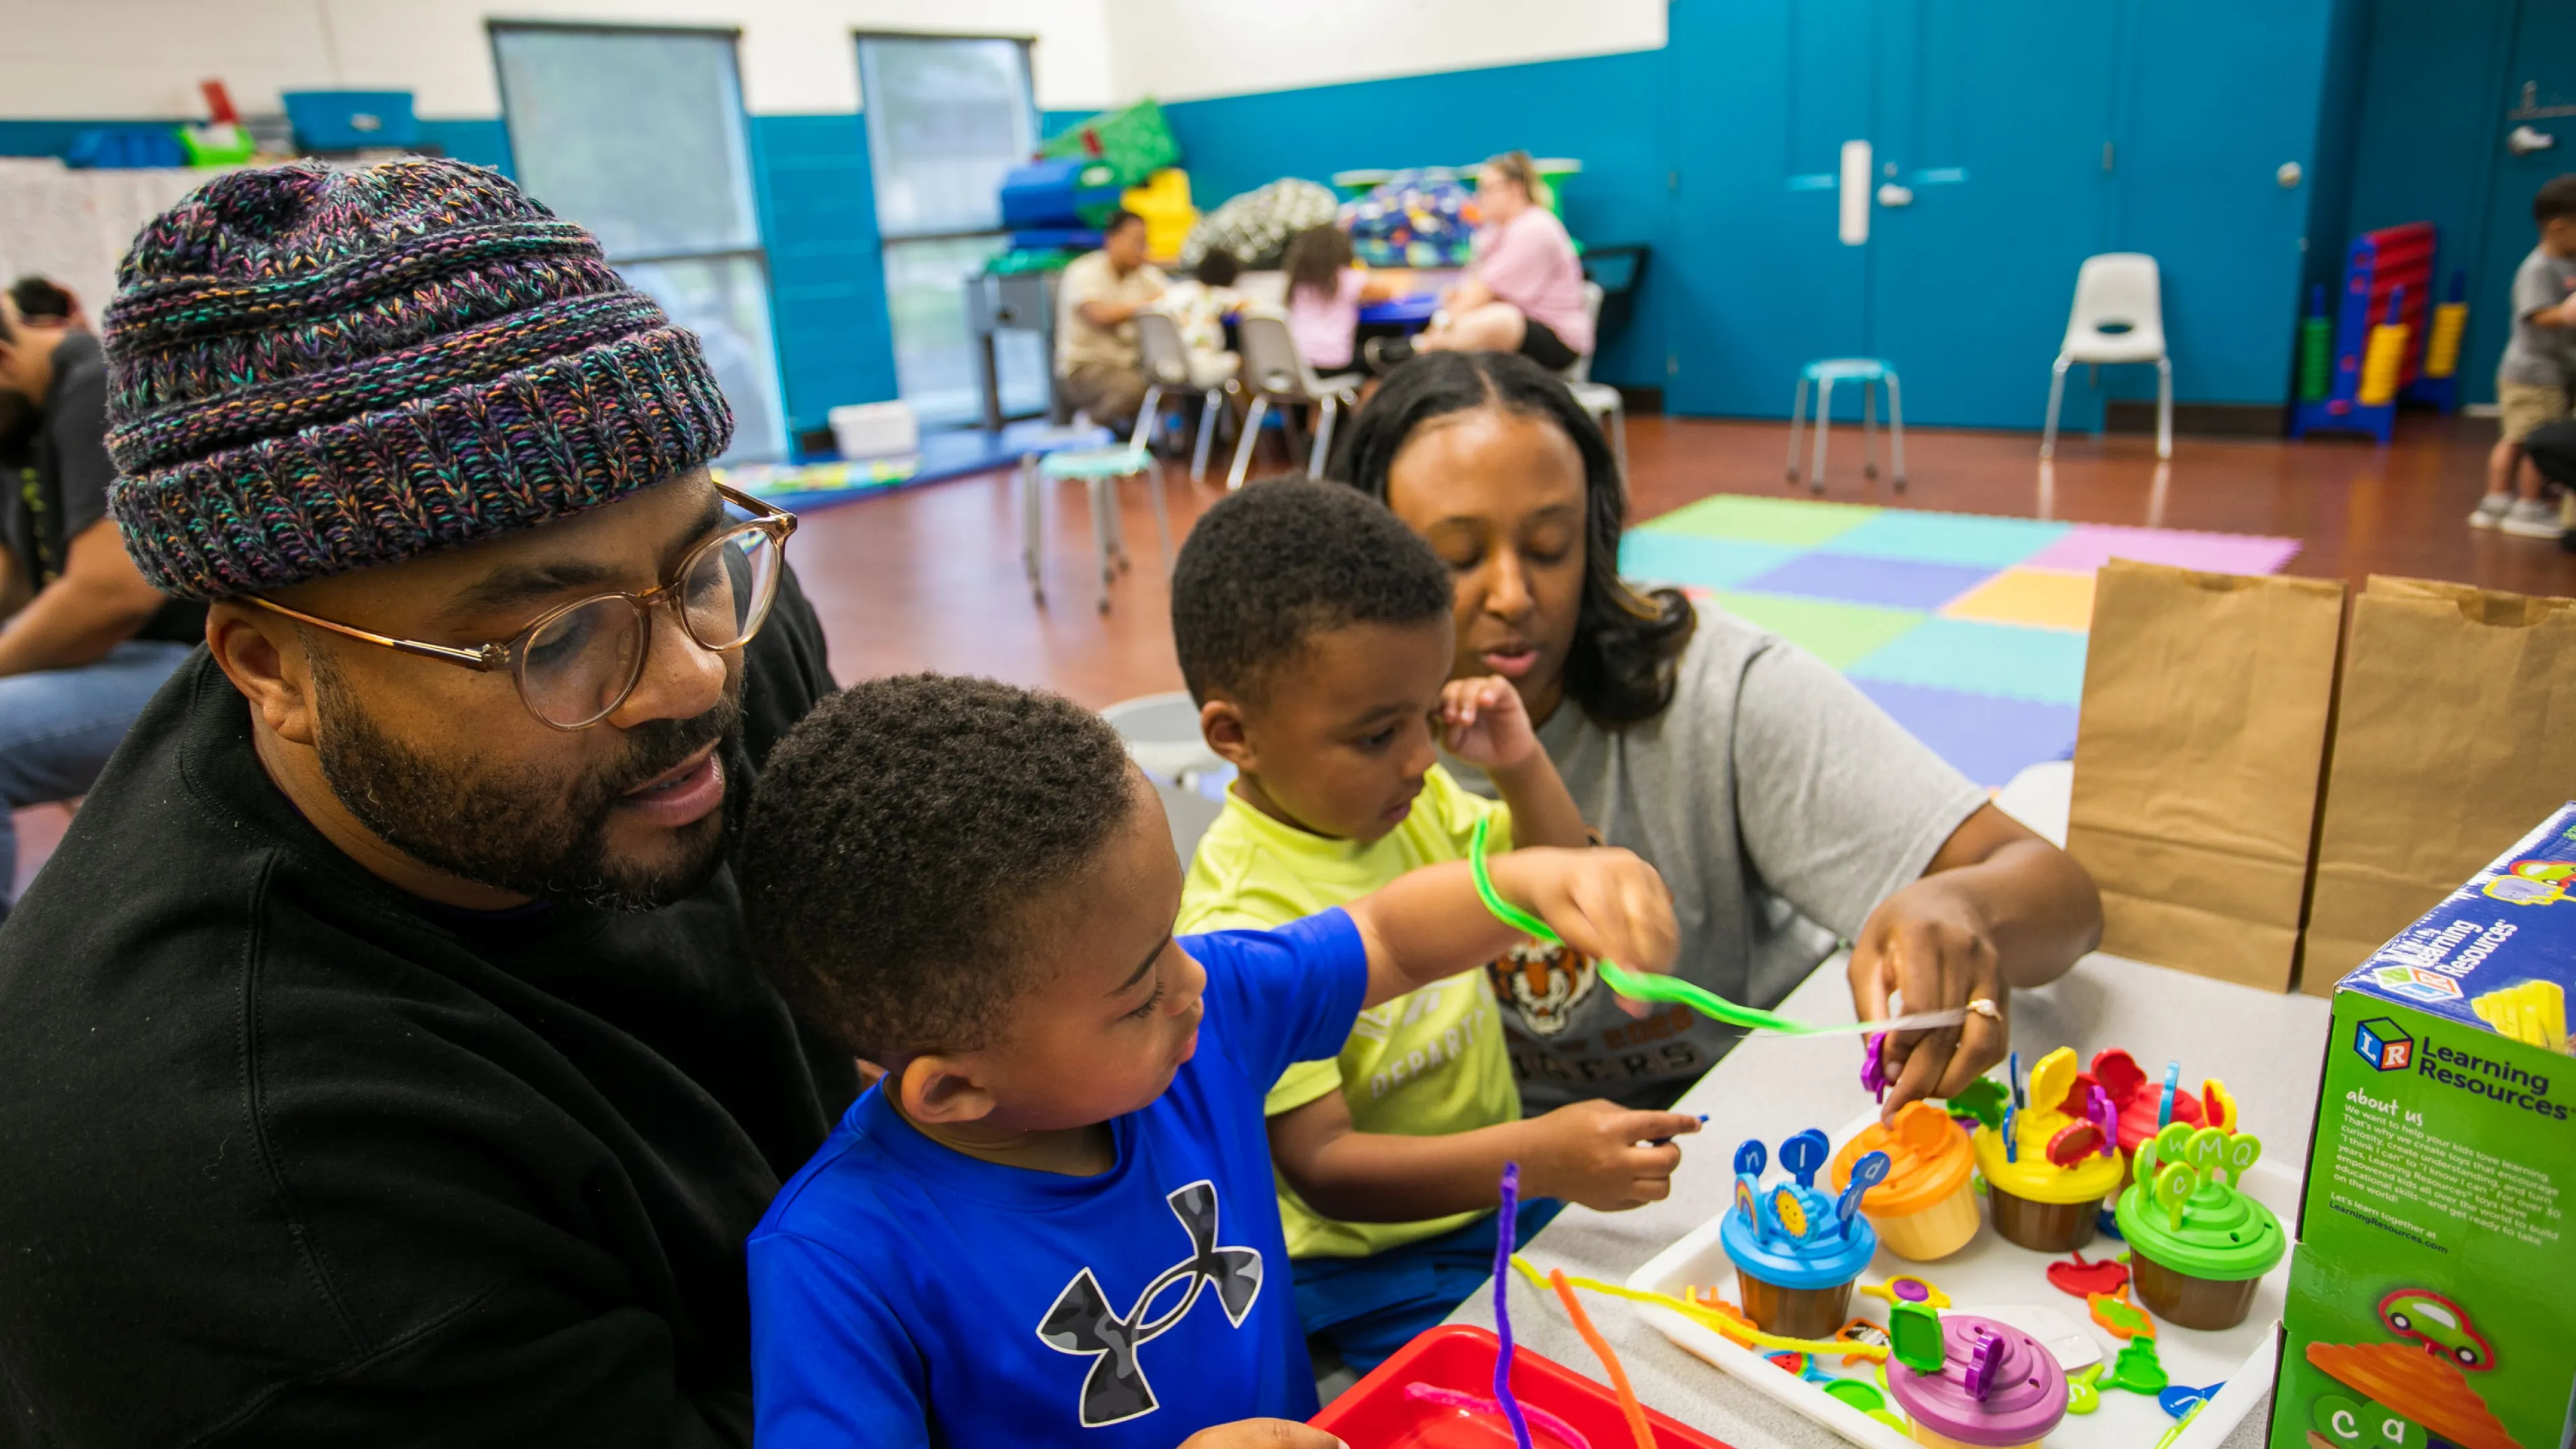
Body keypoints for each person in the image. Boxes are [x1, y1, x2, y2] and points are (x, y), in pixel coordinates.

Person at [0, 159, 859, 1444]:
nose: (691, 680)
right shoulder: (256, 1184)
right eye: (557, 637)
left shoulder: (708, 638)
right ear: (271, 669)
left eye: (700, 559)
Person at [737, 674, 1682, 1447]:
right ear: (954, 1088)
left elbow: (1386, 939)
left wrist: (1535, 883)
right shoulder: (836, 1264)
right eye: (1138, 990)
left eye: (1172, 936)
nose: (1193, 980)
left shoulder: (1195, 1027)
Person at [1338, 352, 2104, 1120]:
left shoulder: (1716, 684)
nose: (1512, 595)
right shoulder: (1311, 736)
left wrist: (1965, 909)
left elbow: (2061, 892)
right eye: (1456, 558)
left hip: (1739, 1119)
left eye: (1549, 547)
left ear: (1598, 541)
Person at [1169, 479, 1695, 1372]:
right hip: (1367, 1266)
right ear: (1235, 735)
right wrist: (1538, 1159)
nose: (1421, 757)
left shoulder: (1408, 802)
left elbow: (1551, 879)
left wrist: (1520, 762)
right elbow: (1325, 1167)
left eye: (1429, 713)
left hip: (1500, 1197)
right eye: (1380, 735)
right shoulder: (1242, 924)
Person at [0, 284, 207, 916]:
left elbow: (109, 596)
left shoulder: (97, 385)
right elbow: (11, 581)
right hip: (126, 659)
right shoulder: (22, 418)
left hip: (197, 658)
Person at [1370, 152, 1592, 374]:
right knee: (1472, 317)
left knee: (1500, 319)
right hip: (1515, 325)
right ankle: (1419, 354)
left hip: (1556, 339)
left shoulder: (1534, 227)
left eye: (1488, 189)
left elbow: (1484, 291)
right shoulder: (1492, 232)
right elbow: (1472, 287)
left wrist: (1441, 324)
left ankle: (1417, 352)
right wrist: (1456, 301)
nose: (1480, 197)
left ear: (1515, 189)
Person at [2469, 172, 2576, 541]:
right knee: (2531, 439)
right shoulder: (2539, 267)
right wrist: (2565, 313)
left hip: (2554, 370)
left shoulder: (2568, 261)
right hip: (2533, 373)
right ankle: (2526, 505)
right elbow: (2535, 314)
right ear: (2559, 227)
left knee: (2520, 436)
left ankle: (2498, 501)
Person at [1056, 209, 1167, 429]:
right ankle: (1091, 424)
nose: (1142, 248)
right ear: (1112, 240)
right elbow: (1101, 315)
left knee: (1172, 383)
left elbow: (1174, 296)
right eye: (1136, 241)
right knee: (1136, 388)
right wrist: (1150, 304)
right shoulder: (1084, 272)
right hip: (1086, 369)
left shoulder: (1145, 275)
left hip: (1133, 366)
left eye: (1145, 242)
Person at [1281, 225, 1405, 373]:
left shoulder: (1298, 282)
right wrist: (1360, 266)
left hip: (1295, 362)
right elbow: (1386, 293)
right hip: (1332, 362)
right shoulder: (1346, 278)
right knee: (1381, 362)